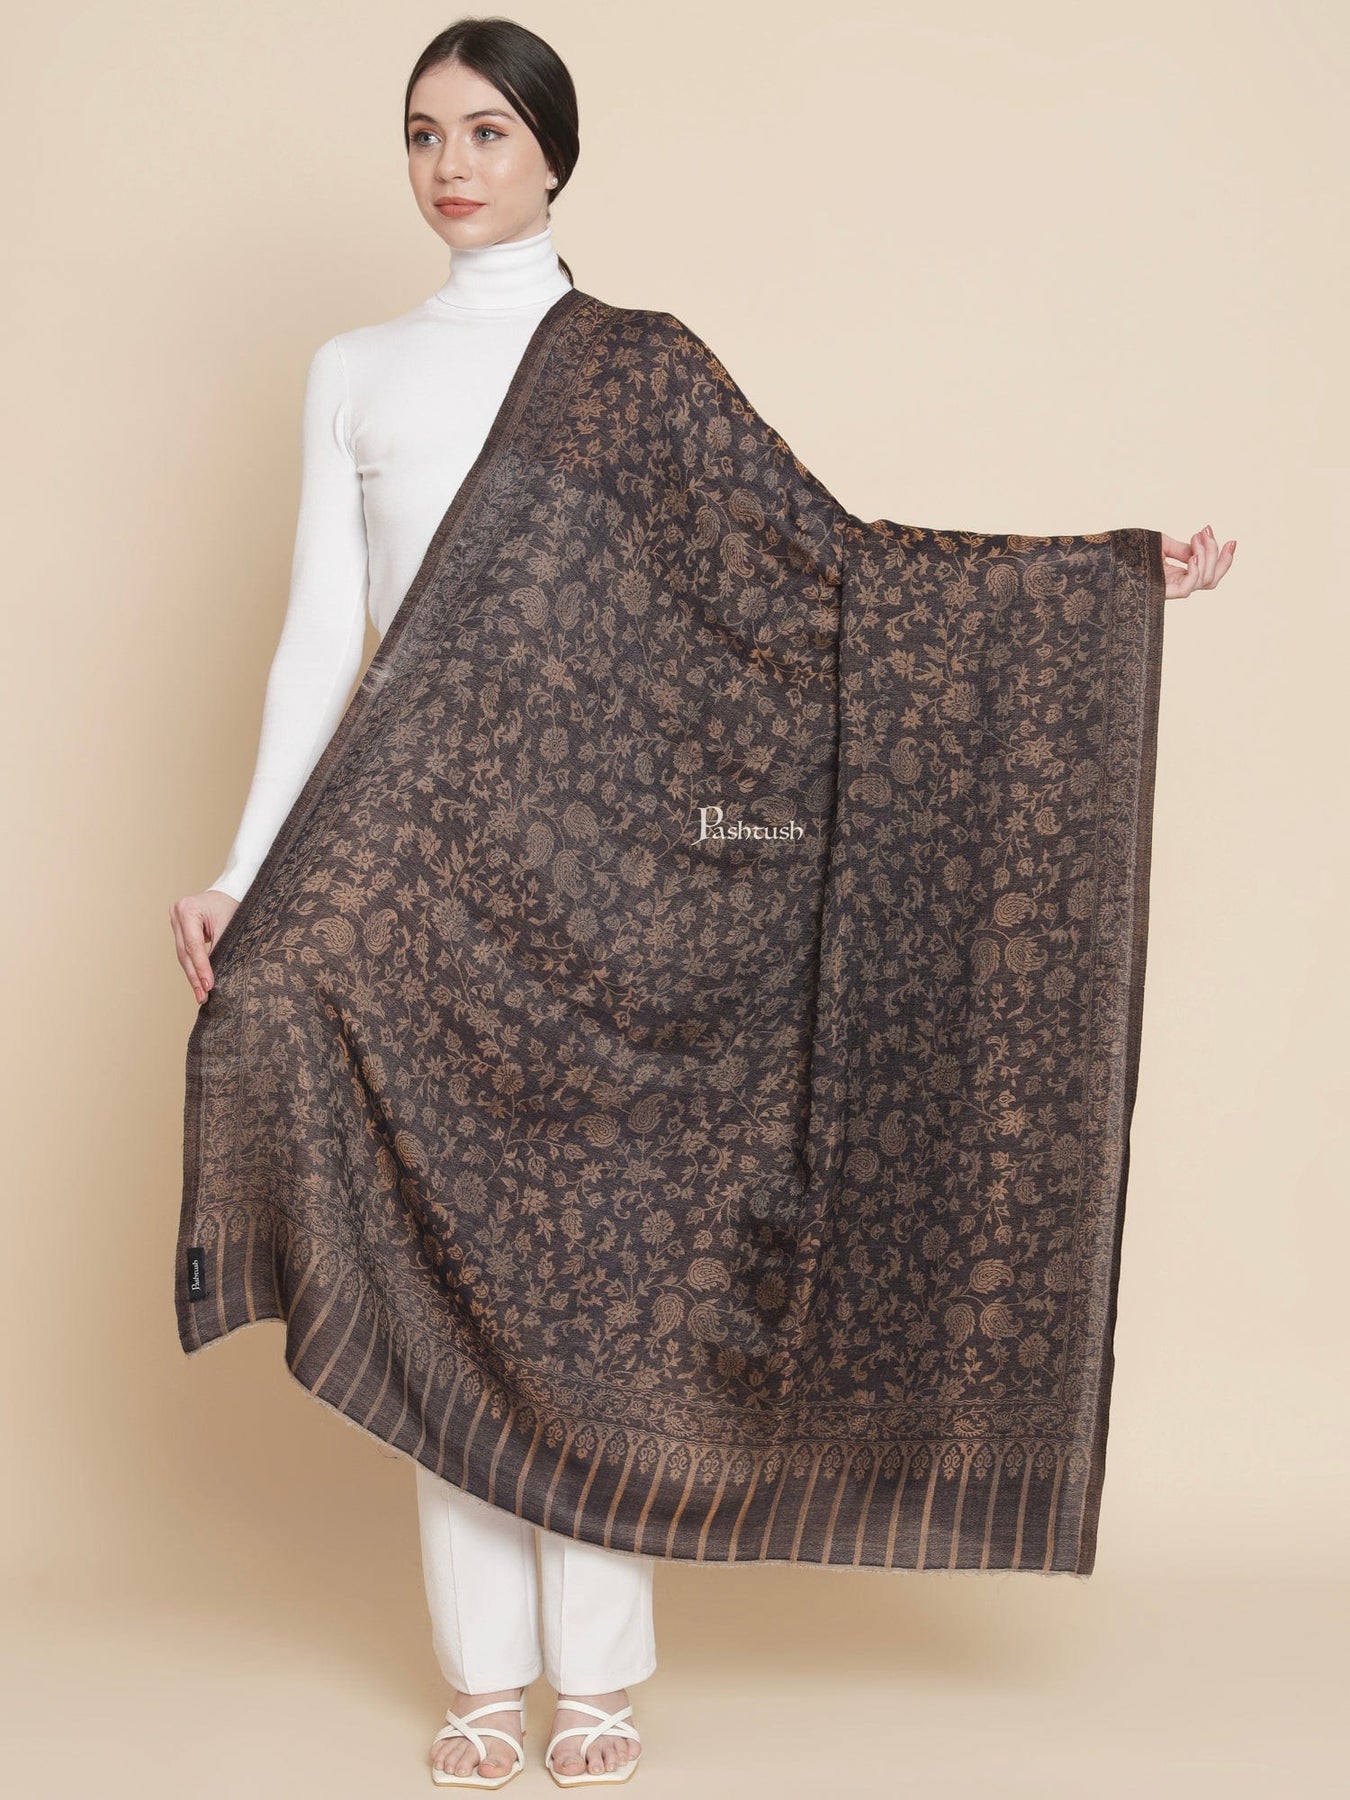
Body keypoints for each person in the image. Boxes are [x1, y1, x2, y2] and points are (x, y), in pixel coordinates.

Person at [168, 15, 1236, 1792]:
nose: (451, 164)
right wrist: (242, 866)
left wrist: (1100, 585)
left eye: (487, 131)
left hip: (613, 896)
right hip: (415, 877)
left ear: (552, 152)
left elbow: (832, 575)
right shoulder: (353, 370)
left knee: (593, 1279)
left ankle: (595, 1680)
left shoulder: (640, 370)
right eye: (423, 132)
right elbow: (318, 639)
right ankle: (479, 1680)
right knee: (425, 1261)